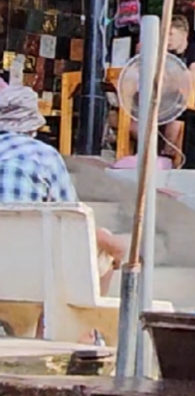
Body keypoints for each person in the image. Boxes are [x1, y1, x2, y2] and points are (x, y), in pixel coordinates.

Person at [0, 86, 125, 294]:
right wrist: (110, 242)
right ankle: (85, 324)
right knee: (100, 252)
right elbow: (73, 218)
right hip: (29, 266)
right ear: (32, 128)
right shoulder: (44, 155)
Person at [162, 14, 195, 165]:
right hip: (174, 100)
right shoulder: (167, 55)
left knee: (177, 115)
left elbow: (192, 77)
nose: (167, 39)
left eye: (171, 34)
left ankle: (169, 156)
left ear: (184, 34)